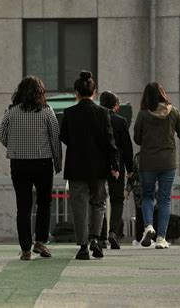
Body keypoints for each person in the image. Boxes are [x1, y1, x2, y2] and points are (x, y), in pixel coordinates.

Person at [0, 76, 62, 261]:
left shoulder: (11, 112)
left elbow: (1, 135)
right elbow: (55, 138)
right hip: (42, 163)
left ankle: (25, 249)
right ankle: (40, 241)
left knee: (23, 207)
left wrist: (14, 147)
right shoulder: (47, 112)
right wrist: (57, 162)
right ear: (40, 93)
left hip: (19, 164)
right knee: (44, 203)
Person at [60, 71, 119, 260]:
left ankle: (83, 246)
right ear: (95, 92)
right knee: (98, 203)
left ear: (76, 92)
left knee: (79, 206)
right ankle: (95, 238)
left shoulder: (69, 113)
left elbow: (64, 137)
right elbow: (110, 141)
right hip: (99, 167)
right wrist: (114, 165)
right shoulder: (103, 113)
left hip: (76, 166)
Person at [133, 82, 180, 249]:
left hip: (148, 161)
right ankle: (161, 238)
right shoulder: (174, 112)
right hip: (168, 162)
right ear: (162, 94)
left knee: (147, 196)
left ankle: (149, 226)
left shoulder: (143, 115)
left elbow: (137, 138)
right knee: (164, 199)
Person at [98, 91, 133, 249]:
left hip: (98, 165)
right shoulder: (120, 121)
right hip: (117, 164)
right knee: (117, 199)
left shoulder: (96, 120)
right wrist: (130, 168)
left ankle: (100, 236)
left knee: (99, 200)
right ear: (115, 106)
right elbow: (127, 147)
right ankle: (113, 232)